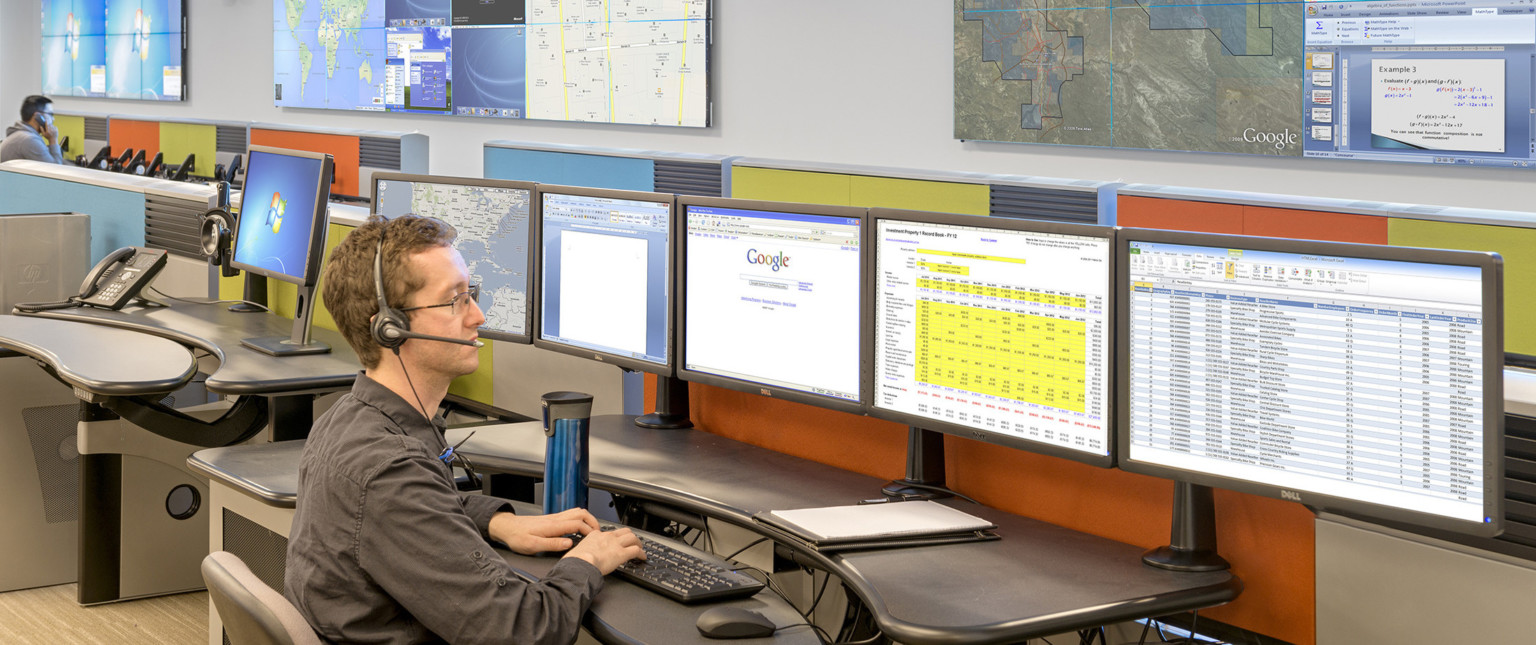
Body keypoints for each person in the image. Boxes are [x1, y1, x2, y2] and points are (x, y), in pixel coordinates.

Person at [284, 214, 644, 644]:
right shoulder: (389, 470)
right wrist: (586, 560)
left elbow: (422, 508)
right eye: (455, 300)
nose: (478, 315)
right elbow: (524, 631)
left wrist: (497, 523)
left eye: (470, 293)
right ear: (392, 328)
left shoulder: (349, 420)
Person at [0, 95, 64, 164]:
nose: (53, 119)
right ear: (38, 116)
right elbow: (55, 169)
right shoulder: (29, 139)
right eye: (50, 114)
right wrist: (53, 140)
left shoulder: (21, 135)